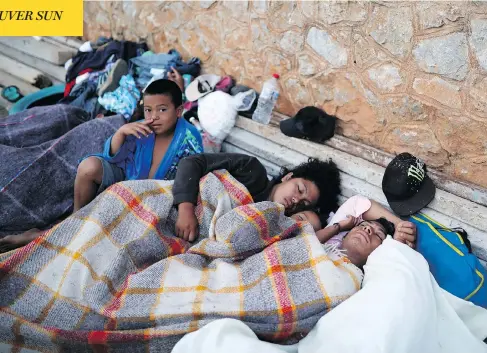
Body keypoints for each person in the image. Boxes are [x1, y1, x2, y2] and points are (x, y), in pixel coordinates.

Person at [0, 78, 203, 253]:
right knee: (89, 166)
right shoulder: (142, 129)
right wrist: (120, 133)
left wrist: (185, 209)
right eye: (149, 110)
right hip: (125, 183)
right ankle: (75, 220)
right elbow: (114, 158)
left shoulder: (188, 137)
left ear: (178, 111)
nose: (153, 117)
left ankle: (51, 234)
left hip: (153, 198)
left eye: (162, 110)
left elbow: (191, 173)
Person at [172, 153, 341, 241]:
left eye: (304, 204)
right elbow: (192, 162)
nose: (296, 200)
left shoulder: (272, 223)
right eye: (299, 189)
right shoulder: (251, 170)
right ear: (288, 177)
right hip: (177, 211)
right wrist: (186, 210)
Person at [315, 195, 417, 268]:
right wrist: (339, 227)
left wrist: (398, 242)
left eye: (378, 235)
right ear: (345, 235)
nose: (367, 229)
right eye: (363, 225)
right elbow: (356, 204)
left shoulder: (367, 283)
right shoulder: (324, 245)